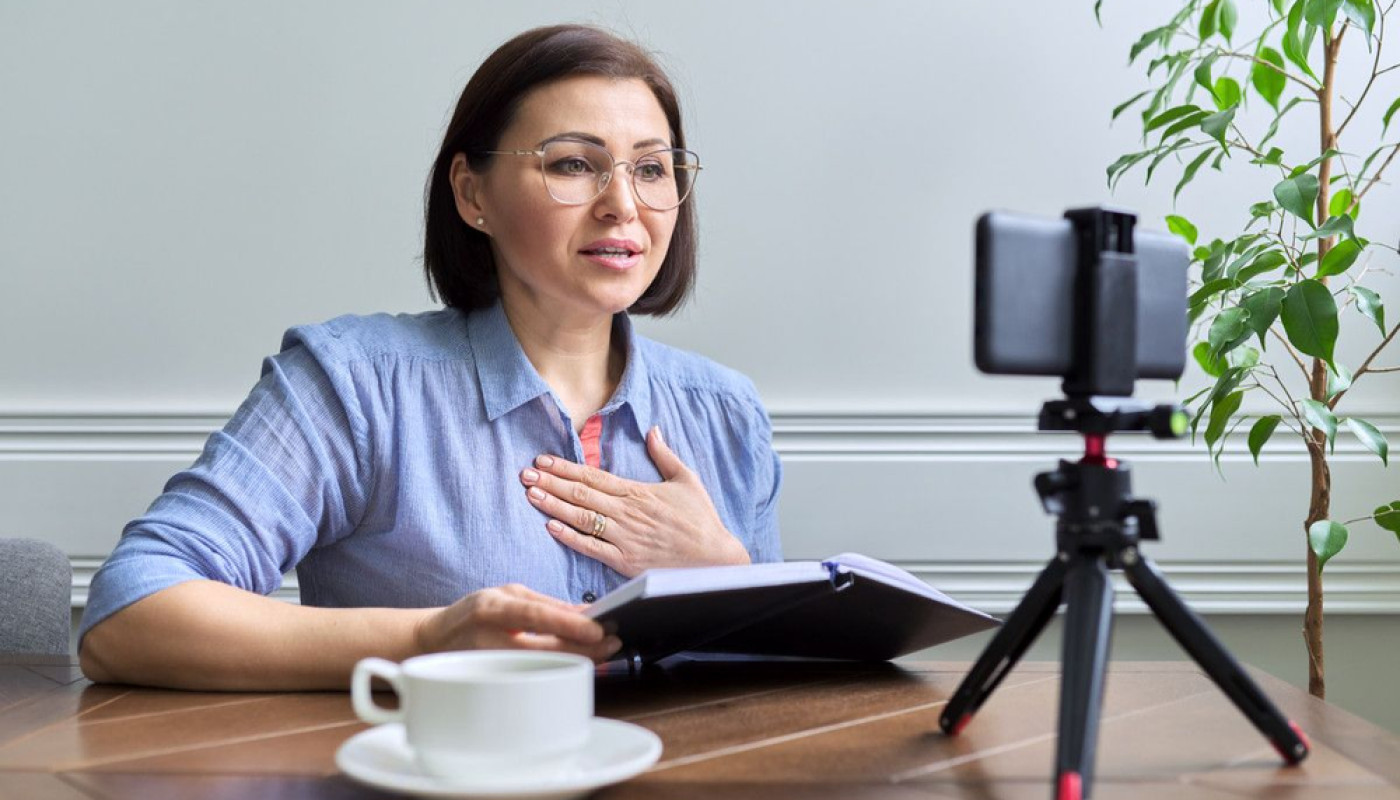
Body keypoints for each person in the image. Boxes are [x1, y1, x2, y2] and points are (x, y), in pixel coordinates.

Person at [78, 24, 783, 690]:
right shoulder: (353, 384)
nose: (623, 204)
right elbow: (126, 613)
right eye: (574, 163)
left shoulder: (729, 413)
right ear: (473, 193)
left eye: (653, 169)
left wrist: (730, 572)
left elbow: (786, 701)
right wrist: (425, 642)